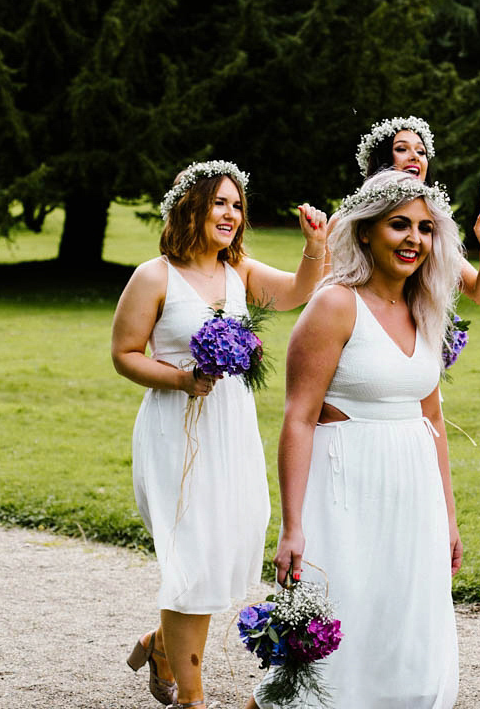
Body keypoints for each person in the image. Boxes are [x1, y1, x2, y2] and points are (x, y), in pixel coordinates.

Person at [112, 160, 328, 709]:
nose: (231, 214)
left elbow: (300, 291)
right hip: (174, 429)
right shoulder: (154, 276)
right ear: (191, 207)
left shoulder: (241, 273)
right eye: (219, 203)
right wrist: (183, 378)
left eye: (237, 205)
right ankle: (192, 698)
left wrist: (314, 244)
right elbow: (124, 354)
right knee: (193, 554)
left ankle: (162, 643)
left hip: (231, 428)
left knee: (224, 545)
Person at [246, 169, 463, 708]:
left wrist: (449, 516)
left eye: (424, 228)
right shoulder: (335, 304)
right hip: (345, 489)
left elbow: (432, 420)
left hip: (413, 494)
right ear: (365, 231)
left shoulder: (428, 308)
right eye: (398, 225)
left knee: (403, 622)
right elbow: (298, 417)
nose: (414, 238)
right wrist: (292, 527)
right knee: (336, 625)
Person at [345, 115, 480, 306]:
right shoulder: (349, 220)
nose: (415, 156)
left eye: (421, 152)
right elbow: (321, 288)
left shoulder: (431, 224)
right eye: (401, 149)